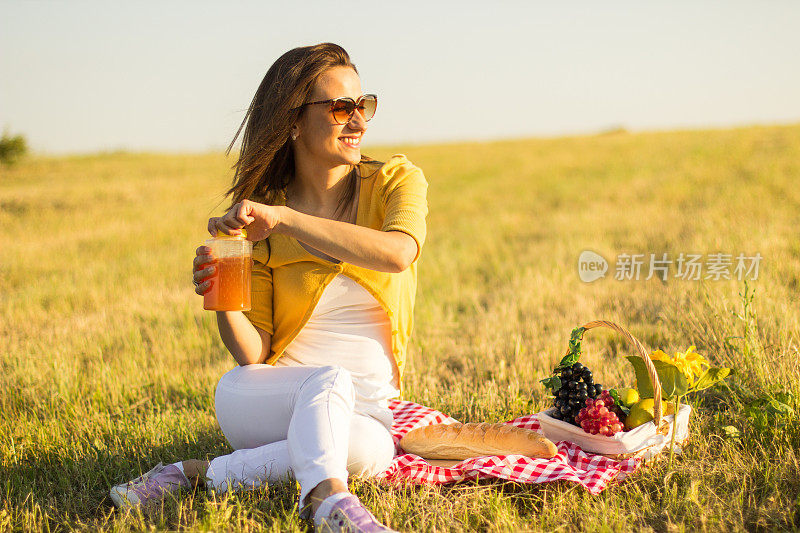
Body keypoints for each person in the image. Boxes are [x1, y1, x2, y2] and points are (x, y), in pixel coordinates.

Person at [108, 43, 428, 533]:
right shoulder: (260, 219)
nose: (359, 122)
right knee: (324, 380)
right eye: (341, 108)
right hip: (267, 398)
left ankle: (195, 475)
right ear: (294, 122)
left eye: (364, 105)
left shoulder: (394, 181)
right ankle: (326, 502)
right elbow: (252, 353)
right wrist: (222, 295)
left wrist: (286, 221)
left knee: (370, 450)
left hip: (365, 409)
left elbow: (397, 252)